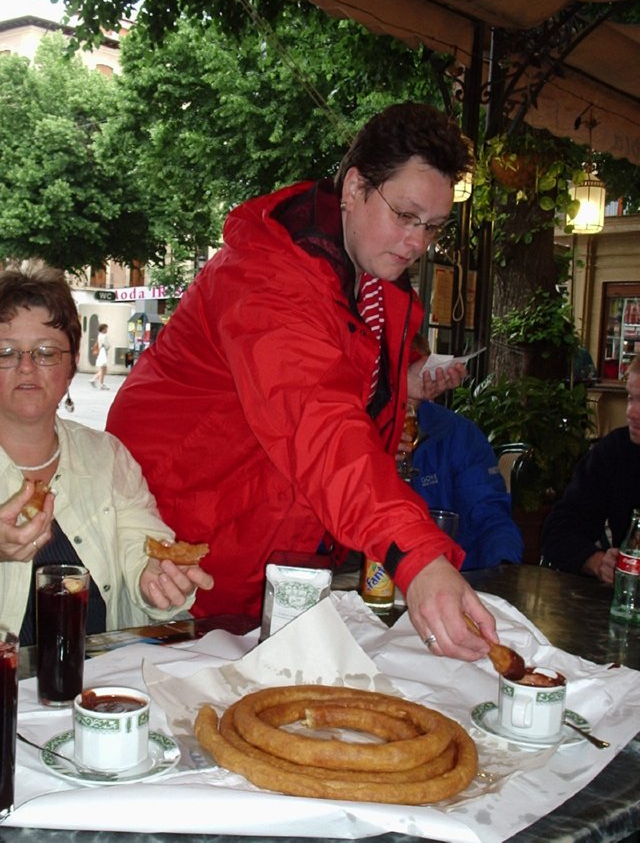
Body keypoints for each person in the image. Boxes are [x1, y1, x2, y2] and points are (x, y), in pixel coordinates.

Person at [107, 101, 498, 661]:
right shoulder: (267, 278)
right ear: (356, 185)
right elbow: (320, 427)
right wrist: (415, 556)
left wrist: (403, 379)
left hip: (268, 545)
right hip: (186, 557)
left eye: (432, 227)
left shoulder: (369, 278)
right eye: (405, 216)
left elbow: (339, 388)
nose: (417, 243)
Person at [0, 268, 213, 644]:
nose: (27, 366)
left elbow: (141, 546)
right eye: (6, 352)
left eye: (46, 352)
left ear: (71, 364)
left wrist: (155, 580)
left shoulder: (106, 456)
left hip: (97, 683)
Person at [541, 355, 640, 583]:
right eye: (631, 398)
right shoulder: (615, 452)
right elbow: (558, 531)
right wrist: (597, 562)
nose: (631, 412)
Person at [408, 400, 524, 571]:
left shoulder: (458, 433)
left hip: (453, 577)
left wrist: (503, 570)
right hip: (365, 576)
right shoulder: (359, 425)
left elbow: (489, 515)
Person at [90, 323, 110, 390]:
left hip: (101, 351)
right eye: (106, 328)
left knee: (104, 369)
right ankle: (100, 384)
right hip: (103, 352)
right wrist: (108, 347)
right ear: (103, 329)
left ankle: (95, 380)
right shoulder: (104, 336)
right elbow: (107, 345)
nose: (107, 330)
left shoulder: (99, 335)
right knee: (103, 369)